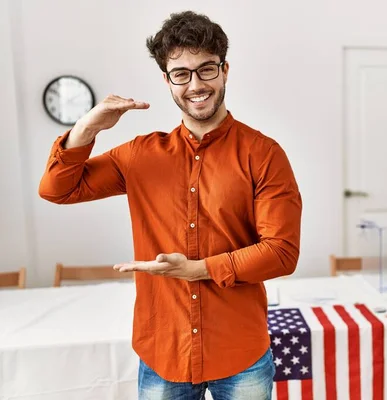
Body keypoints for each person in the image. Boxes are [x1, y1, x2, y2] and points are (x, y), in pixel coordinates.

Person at [39, 11, 302, 400]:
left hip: (240, 351)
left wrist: (199, 270)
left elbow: (281, 253)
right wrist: (88, 128)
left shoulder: (263, 155)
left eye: (206, 69)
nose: (195, 85)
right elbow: (57, 189)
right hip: (163, 351)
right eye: (181, 73)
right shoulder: (139, 155)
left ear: (225, 70)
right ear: (166, 80)